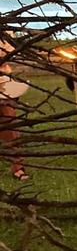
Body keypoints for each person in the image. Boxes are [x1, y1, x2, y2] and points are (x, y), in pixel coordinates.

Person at [0, 32, 28, 181]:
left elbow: (9, 53)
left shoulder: (5, 32)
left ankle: (18, 167)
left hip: (3, 85)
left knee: (9, 123)